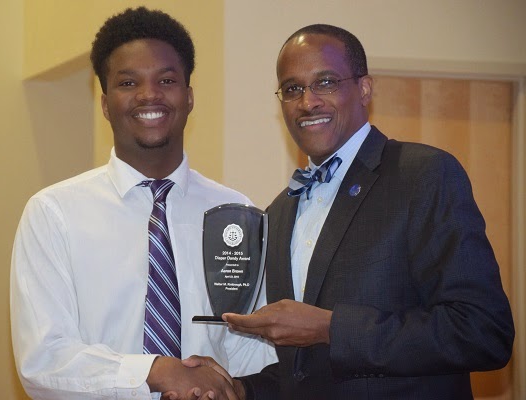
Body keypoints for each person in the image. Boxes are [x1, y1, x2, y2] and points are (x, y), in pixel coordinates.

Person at [188, 24, 515, 399]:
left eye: (325, 82)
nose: (307, 102)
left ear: (364, 89)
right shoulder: (277, 213)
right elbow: (304, 371)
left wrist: (331, 328)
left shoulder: (423, 175)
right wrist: (240, 389)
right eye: (292, 89)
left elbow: (483, 331)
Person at [10, 7, 275, 400]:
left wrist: (228, 387)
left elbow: (252, 345)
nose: (149, 94)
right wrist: (154, 371)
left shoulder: (237, 213)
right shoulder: (53, 213)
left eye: (166, 80)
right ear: (105, 103)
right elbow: (43, 361)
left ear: (189, 97)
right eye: (128, 82)